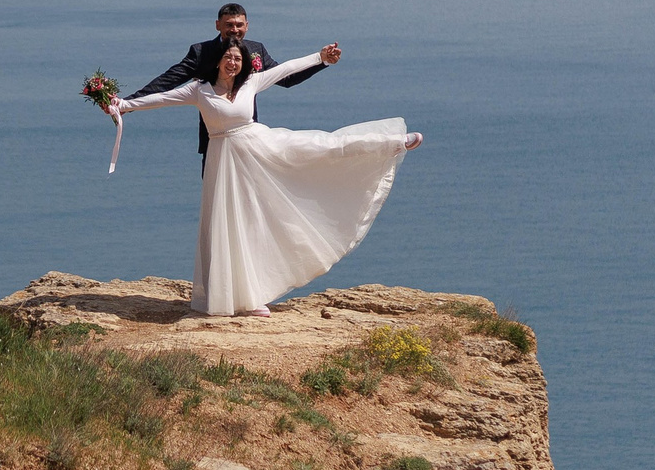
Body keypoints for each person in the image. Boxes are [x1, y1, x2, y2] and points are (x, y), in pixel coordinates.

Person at [102, 37, 420, 317]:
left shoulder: (250, 83)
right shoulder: (199, 90)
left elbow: (286, 70)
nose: (233, 62)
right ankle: (243, 298)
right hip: (223, 163)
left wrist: (320, 57)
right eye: (228, 57)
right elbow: (160, 98)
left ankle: (390, 142)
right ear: (218, 61)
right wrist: (123, 105)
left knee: (322, 146)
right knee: (232, 226)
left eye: (238, 59)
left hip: (260, 148)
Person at [129, 3, 339, 169]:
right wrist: (128, 103)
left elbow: (286, 77)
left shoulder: (256, 49)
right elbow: (169, 81)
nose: (234, 29)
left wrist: (323, 61)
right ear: (218, 25)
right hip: (215, 141)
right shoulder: (201, 52)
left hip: (249, 141)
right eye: (229, 24)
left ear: (247, 26)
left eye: (239, 25)